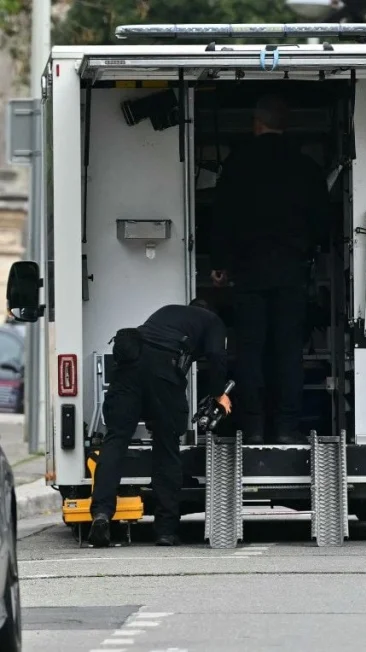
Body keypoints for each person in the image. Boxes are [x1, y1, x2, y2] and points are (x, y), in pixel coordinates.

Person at [209, 94, 332, 445]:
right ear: (285, 124)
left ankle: (254, 425)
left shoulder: (236, 164)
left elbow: (222, 216)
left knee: (251, 352)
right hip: (292, 273)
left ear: (256, 124)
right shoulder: (305, 167)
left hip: (248, 273)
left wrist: (220, 263)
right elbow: (322, 220)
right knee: (288, 351)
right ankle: (286, 426)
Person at [88, 299, 231, 548]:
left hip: (128, 369)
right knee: (166, 448)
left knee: (116, 440)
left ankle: (101, 513)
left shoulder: (168, 311)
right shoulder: (213, 321)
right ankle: (165, 530)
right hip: (163, 373)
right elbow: (217, 356)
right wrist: (219, 393)